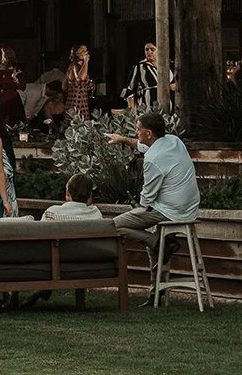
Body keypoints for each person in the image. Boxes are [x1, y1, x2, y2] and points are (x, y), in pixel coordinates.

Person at [103, 111, 199, 241]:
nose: (136, 132)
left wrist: (139, 208)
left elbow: (148, 196)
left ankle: (154, 241)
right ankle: (158, 246)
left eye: (138, 129)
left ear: (148, 133)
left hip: (171, 211)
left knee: (111, 225)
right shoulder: (174, 140)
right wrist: (122, 139)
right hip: (190, 208)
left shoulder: (153, 159)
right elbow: (140, 145)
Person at [0, 49, 26, 129]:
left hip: (12, 100)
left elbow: (23, 87)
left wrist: (15, 79)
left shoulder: (16, 69)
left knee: (14, 124)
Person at [125, 43, 161, 113]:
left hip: (166, 107)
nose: (149, 52)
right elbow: (130, 90)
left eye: (152, 49)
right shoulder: (139, 67)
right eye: (146, 50)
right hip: (146, 107)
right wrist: (132, 111)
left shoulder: (167, 66)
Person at [62, 45, 94, 117]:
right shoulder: (75, 66)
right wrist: (86, 61)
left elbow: (64, 86)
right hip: (77, 104)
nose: (86, 52)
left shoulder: (72, 67)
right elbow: (81, 78)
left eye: (86, 50)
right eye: (82, 50)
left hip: (78, 101)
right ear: (76, 53)